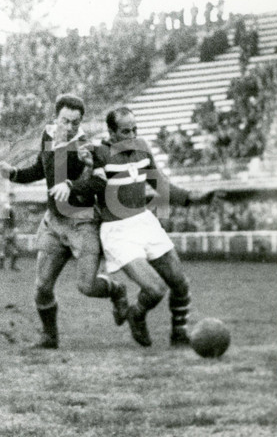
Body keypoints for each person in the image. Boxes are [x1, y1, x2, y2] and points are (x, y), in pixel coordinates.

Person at [0, 94, 128, 349]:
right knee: (42, 287)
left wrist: (72, 185)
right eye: (65, 121)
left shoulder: (84, 147)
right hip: (55, 222)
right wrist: (13, 173)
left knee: (87, 286)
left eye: (75, 123)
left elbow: (100, 182)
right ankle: (49, 337)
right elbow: (40, 169)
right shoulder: (48, 136)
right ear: (55, 118)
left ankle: (117, 291)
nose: (69, 128)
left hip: (82, 223)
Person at [91, 107, 216, 347]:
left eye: (135, 129)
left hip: (145, 222)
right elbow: (86, 188)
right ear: (111, 132)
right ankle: (136, 314)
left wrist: (194, 198)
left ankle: (179, 335)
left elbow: (161, 185)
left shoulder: (142, 148)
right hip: (118, 231)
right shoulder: (99, 154)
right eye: (126, 131)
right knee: (155, 290)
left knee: (180, 283)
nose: (132, 135)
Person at [0, 192, 20, 271]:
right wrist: (6, 231)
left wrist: (14, 228)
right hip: (7, 230)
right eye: (11, 198)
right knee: (4, 248)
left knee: (14, 249)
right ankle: (2, 267)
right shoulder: (7, 207)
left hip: (11, 230)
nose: (13, 200)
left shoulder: (11, 207)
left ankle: (11, 266)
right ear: (9, 198)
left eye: (13, 198)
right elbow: (3, 220)